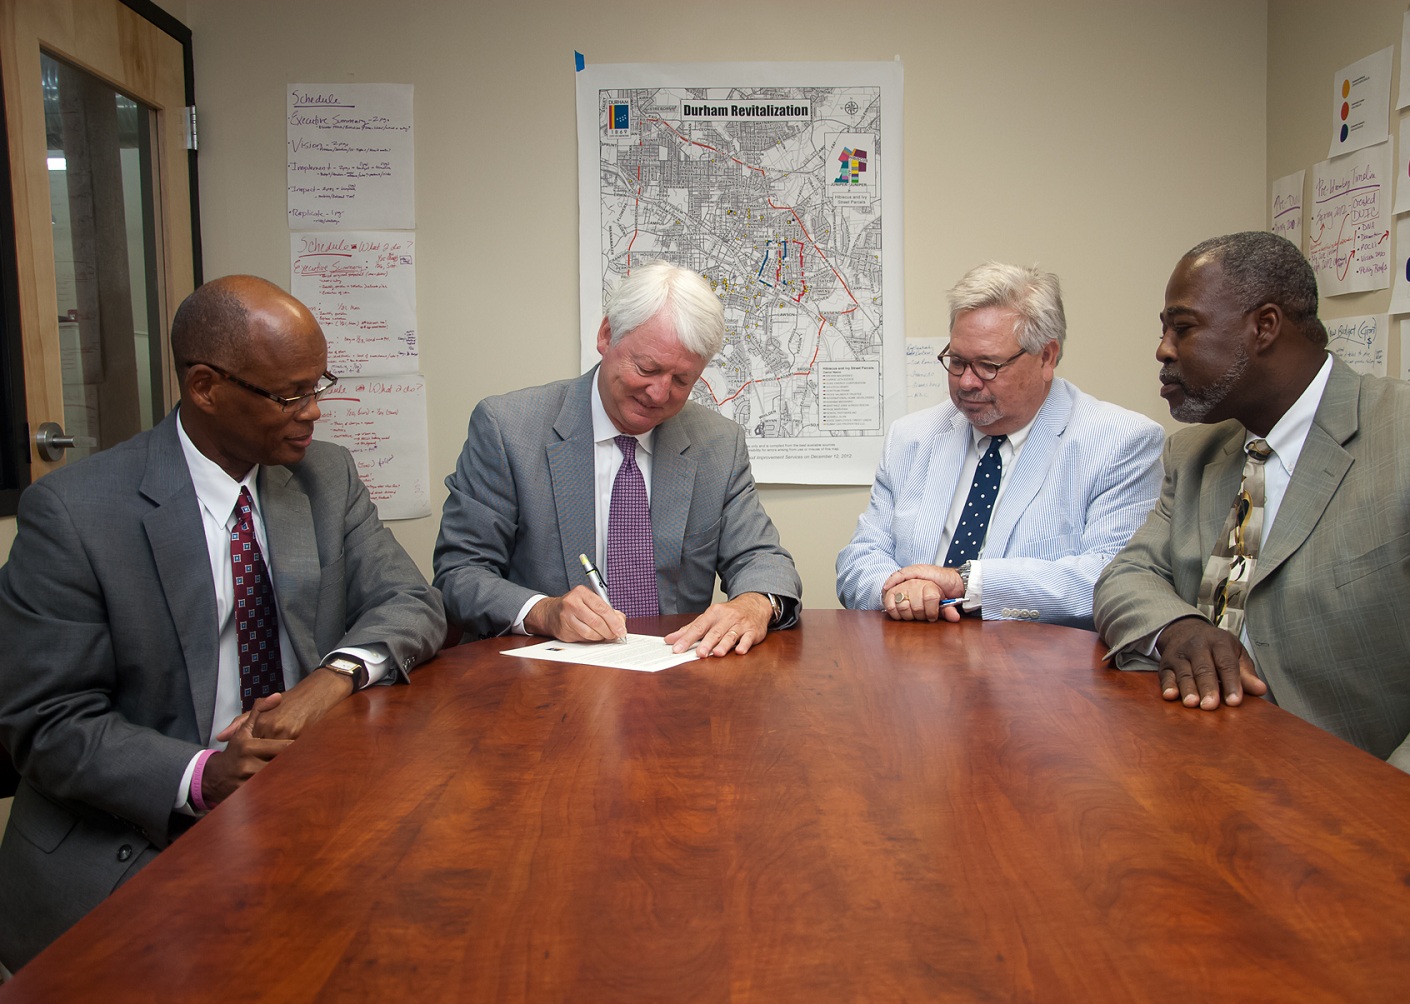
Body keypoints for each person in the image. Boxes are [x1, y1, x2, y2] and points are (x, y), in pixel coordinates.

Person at [0, 276, 447, 969]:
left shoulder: (324, 477)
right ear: (205, 387)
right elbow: (45, 721)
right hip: (139, 835)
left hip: (302, 810)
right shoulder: (74, 515)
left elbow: (413, 602)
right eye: (290, 394)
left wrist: (325, 684)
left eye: (318, 384)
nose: (315, 412)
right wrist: (204, 775)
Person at [1093, 231, 1410, 813]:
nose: (1162, 349)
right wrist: (1177, 628)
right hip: (1199, 781)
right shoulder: (1195, 453)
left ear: (1264, 327)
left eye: (1182, 328)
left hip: (1362, 808)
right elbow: (1126, 575)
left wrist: (1397, 823)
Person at [434, 260, 801, 656]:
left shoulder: (717, 443)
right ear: (607, 335)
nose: (659, 394)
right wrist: (544, 611)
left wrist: (754, 603)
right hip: (542, 682)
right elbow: (460, 574)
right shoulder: (509, 429)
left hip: (673, 676)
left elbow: (761, 557)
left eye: (682, 380)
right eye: (647, 368)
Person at [836, 261, 1163, 628]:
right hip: (915, 664)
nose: (967, 382)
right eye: (957, 362)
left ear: (1046, 357)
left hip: (1039, 672)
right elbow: (860, 557)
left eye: (988, 365)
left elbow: (1113, 578)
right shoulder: (911, 437)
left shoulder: (1120, 441)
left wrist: (968, 584)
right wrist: (900, 591)